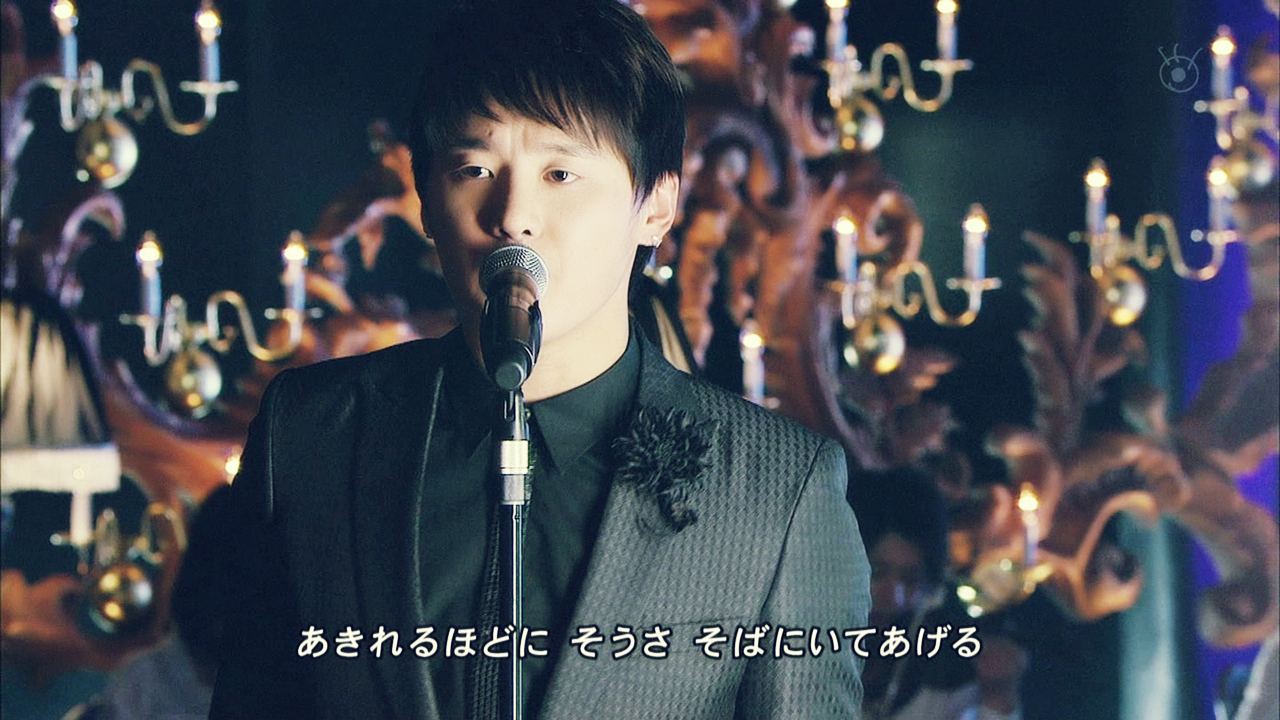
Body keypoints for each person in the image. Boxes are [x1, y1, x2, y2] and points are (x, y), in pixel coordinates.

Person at [204, 1, 870, 718]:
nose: (513, 214)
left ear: (656, 205)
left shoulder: (781, 490)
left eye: (560, 173)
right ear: (426, 197)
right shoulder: (311, 432)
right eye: (474, 167)